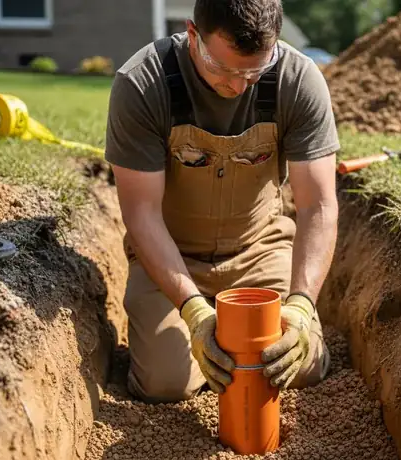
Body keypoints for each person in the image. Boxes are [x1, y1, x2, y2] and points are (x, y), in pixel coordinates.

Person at [104, 0, 340, 403]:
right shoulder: (143, 84)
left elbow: (317, 205)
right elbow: (141, 213)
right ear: (193, 35)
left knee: (295, 367)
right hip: (171, 258)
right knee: (165, 384)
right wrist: (195, 314)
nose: (238, 86)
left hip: (259, 251)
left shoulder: (298, 79)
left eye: (255, 71)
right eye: (224, 69)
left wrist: (300, 307)